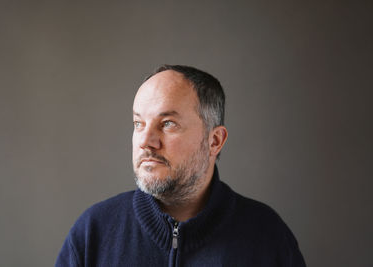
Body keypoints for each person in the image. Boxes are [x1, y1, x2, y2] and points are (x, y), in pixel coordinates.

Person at [56, 65, 306, 266]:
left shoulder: (267, 236)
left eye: (167, 124)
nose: (146, 141)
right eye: (138, 124)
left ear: (214, 140)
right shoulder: (94, 232)